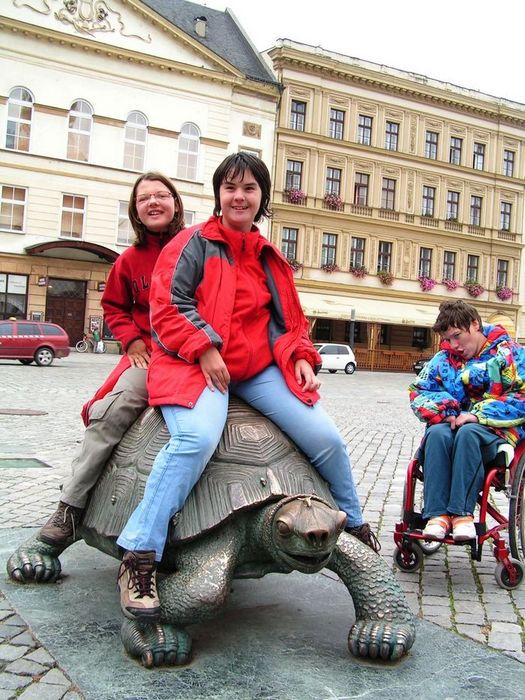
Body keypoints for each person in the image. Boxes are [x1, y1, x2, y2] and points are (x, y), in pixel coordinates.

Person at [115, 152, 379, 622]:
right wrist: (204, 348)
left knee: (327, 439)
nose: (239, 196)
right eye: (231, 187)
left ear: (262, 197)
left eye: (249, 188)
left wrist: (301, 356)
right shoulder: (191, 243)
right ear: (218, 194)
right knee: (195, 439)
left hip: (256, 370)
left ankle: (355, 528)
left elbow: (290, 321)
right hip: (194, 363)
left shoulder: (269, 256)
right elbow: (167, 306)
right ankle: (140, 553)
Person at [38, 172, 185, 546]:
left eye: (161, 195)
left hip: (194, 354)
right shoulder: (129, 260)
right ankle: (71, 508)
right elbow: (114, 307)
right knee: (110, 412)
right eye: (144, 198)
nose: (153, 202)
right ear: (136, 210)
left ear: (175, 202)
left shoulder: (195, 248)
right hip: (150, 355)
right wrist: (132, 342)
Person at [409, 300, 525, 542]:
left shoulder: (510, 354)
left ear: (475, 324)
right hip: (452, 427)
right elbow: (419, 390)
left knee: (468, 432)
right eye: (447, 339)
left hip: (495, 432)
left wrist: (476, 415)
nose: (454, 345)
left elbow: (521, 396)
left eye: (457, 336)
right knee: (437, 433)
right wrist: (447, 410)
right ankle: (437, 515)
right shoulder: (444, 359)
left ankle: (462, 514)